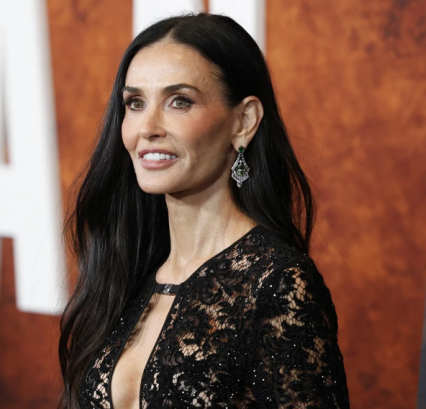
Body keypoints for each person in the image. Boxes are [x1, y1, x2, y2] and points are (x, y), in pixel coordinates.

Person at [58, 13, 350, 409]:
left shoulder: (276, 283)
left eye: (179, 101)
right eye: (135, 103)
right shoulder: (126, 272)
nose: (147, 127)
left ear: (244, 121)